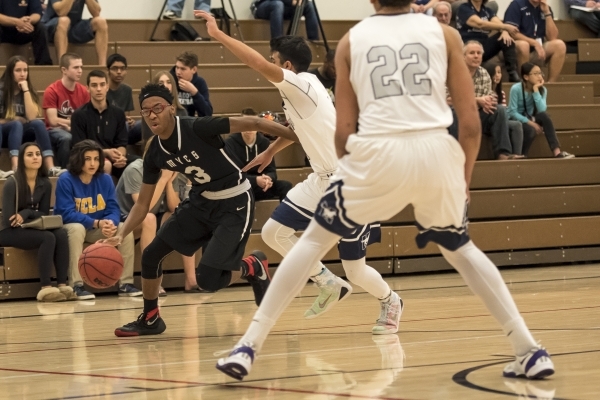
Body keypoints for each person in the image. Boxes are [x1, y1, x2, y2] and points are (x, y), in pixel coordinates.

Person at [215, 0, 555, 382]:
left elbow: (344, 129)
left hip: (376, 155)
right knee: (461, 249)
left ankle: (249, 346)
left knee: (311, 242)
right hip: (435, 152)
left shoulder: (350, 42)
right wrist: (462, 177)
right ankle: (529, 349)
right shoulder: (445, 34)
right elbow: (471, 123)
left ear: (373, 1)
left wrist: (348, 180)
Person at [198, 10, 401, 327]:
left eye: (274, 59)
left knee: (355, 269)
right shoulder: (299, 92)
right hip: (323, 180)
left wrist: (219, 35)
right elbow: (296, 132)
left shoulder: (301, 84)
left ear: (286, 65)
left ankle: (391, 301)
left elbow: (257, 64)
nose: (269, 62)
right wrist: (268, 151)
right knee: (273, 232)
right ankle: (326, 282)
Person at [100, 83, 299, 337]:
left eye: (157, 108)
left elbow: (254, 122)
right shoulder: (155, 152)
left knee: (208, 281)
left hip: (233, 202)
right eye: (145, 111)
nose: (151, 115)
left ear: (171, 109)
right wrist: (121, 233)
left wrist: (302, 136)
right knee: (151, 256)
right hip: (200, 201)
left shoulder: (197, 127)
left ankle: (253, 265)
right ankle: (151, 319)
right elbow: (142, 204)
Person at [54, 139, 142, 300]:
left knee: (124, 229)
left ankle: (125, 283)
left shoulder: (105, 179)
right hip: (72, 229)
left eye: (96, 159)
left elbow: (113, 208)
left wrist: (110, 223)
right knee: (76, 228)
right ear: (78, 159)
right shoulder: (65, 179)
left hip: (97, 228)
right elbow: (66, 213)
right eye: (88, 159)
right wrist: (96, 223)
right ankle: (77, 285)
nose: (92, 163)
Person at [116, 140, 199, 295]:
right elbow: (142, 207)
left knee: (183, 218)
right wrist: (162, 180)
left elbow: (174, 207)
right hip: (125, 221)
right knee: (149, 219)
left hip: (150, 219)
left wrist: (168, 182)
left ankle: (191, 280)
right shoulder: (135, 170)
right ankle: (151, 280)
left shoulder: (170, 171)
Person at [0, 142, 74, 302]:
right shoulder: (12, 183)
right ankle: (45, 288)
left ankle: (63, 285)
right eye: (30, 154)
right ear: (21, 159)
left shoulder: (45, 183)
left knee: (61, 233)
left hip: (31, 226)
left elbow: (43, 214)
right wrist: (27, 216)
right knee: (47, 237)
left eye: (38, 154)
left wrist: (26, 212)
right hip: (7, 231)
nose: (35, 157)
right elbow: (8, 219)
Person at [0, 55, 65, 176]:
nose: (22, 74)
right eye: (18, 70)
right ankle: (16, 167)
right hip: (3, 134)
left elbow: (31, 118)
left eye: (25, 70)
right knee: (16, 124)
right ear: (10, 72)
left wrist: (25, 90)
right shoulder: (1, 91)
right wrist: (12, 119)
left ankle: (50, 167)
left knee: (38, 124)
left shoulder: (28, 90)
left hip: (21, 134)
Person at [458, 41, 520, 160]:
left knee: (499, 110)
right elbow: (447, 99)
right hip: (458, 115)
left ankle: (503, 154)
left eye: (479, 53)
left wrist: (488, 102)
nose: (476, 56)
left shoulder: (484, 73)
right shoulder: (454, 72)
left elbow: (487, 97)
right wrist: (477, 100)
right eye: (472, 53)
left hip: (478, 114)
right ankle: (460, 156)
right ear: (463, 56)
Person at [70, 70, 135, 178]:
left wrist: (120, 156)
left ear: (107, 87)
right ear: (88, 88)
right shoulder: (79, 115)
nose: (99, 89)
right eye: (94, 85)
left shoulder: (118, 113)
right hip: (89, 159)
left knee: (139, 164)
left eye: (102, 85)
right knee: (106, 165)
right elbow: (79, 148)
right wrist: (106, 153)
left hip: (114, 158)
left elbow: (122, 144)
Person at [507, 62, 574, 159]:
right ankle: (522, 155)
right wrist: (531, 123)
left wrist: (535, 90)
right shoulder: (516, 89)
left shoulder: (542, 90)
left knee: (545, 116)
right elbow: (512, 112)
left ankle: (557, 152)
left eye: (540, 73)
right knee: (531, 129)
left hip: (531, 116)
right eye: (535, 74)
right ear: (526, 77)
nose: (539, 76)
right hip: (517, 119)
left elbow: (542, 109)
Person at [225, 108, 293, 202]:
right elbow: (232, 175)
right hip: (242, 187)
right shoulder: (230, 143)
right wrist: (255, 180)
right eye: (245, 124)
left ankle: (284, 215)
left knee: (286, 186)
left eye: (252, 125)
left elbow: (272, 170)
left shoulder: (264, 142)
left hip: (262, 186)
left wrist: (268, 179)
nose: (248, 128)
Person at [43, 53, 90, 169]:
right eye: (76, 67)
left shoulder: (84, 91)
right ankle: (64, 171)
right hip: (53, 131)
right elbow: (53, 121)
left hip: (73, 128)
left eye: (81, 67)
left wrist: (71, 125)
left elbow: (88, 119)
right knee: (66, 138)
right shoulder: (52, 90)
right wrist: (75, 123)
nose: (80, 71)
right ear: (64, 70)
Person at [456, 0, 520, 82]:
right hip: (468, 45)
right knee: (504, 33)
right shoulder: (464, 8)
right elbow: (480, 24)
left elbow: (499, 24)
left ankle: (512, 73)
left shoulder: (487, 11)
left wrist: (504, 31)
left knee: (506, 38)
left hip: (483, 46)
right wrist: (505, 27)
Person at [503, 0, 566, 82]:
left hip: (537, 50)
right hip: (517, 48)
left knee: (560, 45)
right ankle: (525, 84)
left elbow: (552, 37)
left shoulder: (546, 8)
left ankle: (551, 84)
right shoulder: (517, 4)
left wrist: (547, 13)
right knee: (524, 45)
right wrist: (533, 42)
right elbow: (511, 32)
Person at [41, 0, 108, 66]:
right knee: (64, 20)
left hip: (74, 27)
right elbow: (61, 12)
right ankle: (62, 65)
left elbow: (96, 13)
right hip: (51, 28)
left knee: (100, 22)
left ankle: (102, 66)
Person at [484, 62, 524, 155]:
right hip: (489, 119)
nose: (497, 75)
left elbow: (505, 111)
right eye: (495, 72)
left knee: (522, 125)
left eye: (499, 72)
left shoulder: (501, 93)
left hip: (502, 119)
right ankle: (508, 154)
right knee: (516, 125)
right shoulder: (484, 90)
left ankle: (517, 154)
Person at [141, 70, 188, 143]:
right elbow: (147, 140)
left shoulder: (182, 111)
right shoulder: (147, 113)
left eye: (169, 82)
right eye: (161, 83)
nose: (165, 86)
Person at [0, 0, 53, 65]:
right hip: (4, 31)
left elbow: (37, 14)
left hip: (26, 30)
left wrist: (28, 20)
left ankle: (44, 64)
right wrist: (17, 22)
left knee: (40, 28)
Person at [170, 51, 212, 117]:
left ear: (194, 70)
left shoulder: (200, 83)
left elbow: (207, 113)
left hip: (189, 123)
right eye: (177, 67)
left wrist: (194, 93)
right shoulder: (169, 80)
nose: (178, 72)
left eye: (183, 69)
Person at [251, 0, 319, 41]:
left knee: (309, 5)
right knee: (278, 4)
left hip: (285, 8)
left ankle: (314, 42)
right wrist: (290, 1)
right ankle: (278, 43)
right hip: (263, 5)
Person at [106, 53, 135, 138]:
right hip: (108, 128)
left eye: (122, 69)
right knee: (123, 126)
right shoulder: (102, 89)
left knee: (143, 125)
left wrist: (130, 121)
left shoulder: (127, 90)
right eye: (115, 68)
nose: (119, 72)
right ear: (108, 71)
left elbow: (126, 115)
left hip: (123, 127)